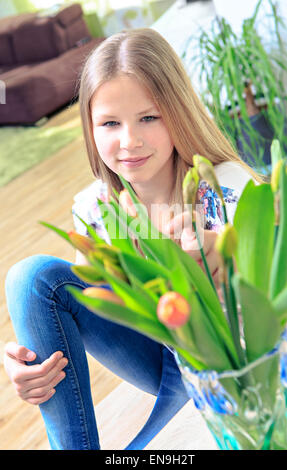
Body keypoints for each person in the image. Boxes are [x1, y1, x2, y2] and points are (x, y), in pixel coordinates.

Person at [4, 28, 263, 451]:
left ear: (178, 112)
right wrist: (28, 365)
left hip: (242, 366)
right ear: (89, 128)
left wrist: (235, 265)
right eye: (109, 122)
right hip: (167, 364)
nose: (130, 141)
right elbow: (95, 310)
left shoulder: (230, 189)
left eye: (149, 117)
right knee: (29, 278)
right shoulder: (93, 211)